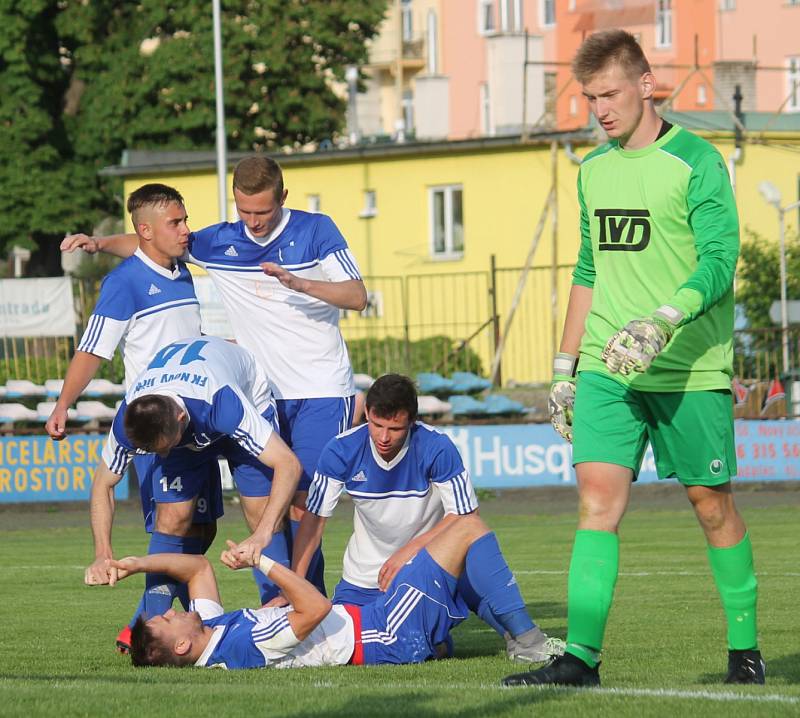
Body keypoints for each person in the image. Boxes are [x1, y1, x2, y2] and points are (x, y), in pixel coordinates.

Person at [504, 30, 762, 688]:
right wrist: (564, 370)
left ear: (647, 85)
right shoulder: (593, 170)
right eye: (589, 98)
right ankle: (581, 659)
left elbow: (718, 261)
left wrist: (665, 318)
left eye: (610, 94)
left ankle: (745, 652)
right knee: (597, 503)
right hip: (606, 370)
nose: (600, 110)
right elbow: (588, 272)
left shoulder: (698, 162)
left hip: (687, 369)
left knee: (711, 505)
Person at [62, 156, 368, 597]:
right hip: (255, 392)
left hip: (319, 390)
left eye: (262, 212)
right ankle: (279, 608)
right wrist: (99, 242)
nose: (254, 222)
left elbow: (356, 295)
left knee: (301, 508)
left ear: (283, 197)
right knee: (262, 510)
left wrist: (300, 284)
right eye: (244, 212)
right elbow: (156, 242)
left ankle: (307, 608)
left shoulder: (316, 230)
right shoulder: (223, 241)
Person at [288, 373, 563, 663]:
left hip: (427, 569)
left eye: (394, 428)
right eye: (376, 425)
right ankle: (435, 640)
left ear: (412, 420)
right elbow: (312, 523)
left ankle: (529, 639)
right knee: (339, 649)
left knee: (473, 541)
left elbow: (468, 517)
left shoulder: (436, 446)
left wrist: (408, 551)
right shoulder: (340, 449)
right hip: (362, 582)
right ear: (366, 413)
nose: (383, 437)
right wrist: (293, 585)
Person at [48, 183, 218, 652]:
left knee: (201, 531)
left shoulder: (177, 264)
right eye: (176, 223)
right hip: (159, 424)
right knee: (173, 525)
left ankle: (149, 620)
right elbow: (92, 349)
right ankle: (144, 631)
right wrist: (63, 403)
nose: (186, 230)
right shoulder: (123, 284)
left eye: (185, 220)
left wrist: (99, 243)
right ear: (148, 230)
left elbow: (141, 242)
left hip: (196, 419)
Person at [104, 513, 540, 670]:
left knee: (449, 556)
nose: (172, 610)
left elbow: (197, 567)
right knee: (466, 527)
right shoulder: (242, 645)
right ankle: (530, 644)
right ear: (182, 645)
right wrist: (264, 562)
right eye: (167, 618)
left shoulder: (213, 630)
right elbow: (315, 604)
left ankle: (437, 642)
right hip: (382, 632)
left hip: (369, 620)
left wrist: (139, 563)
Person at [85, 336, 303, 628]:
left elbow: (288, 463)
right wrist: (102, 554)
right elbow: (103, 484)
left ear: (180, 416)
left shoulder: (221, 403)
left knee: (260, 509)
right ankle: (151, 623)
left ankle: (279, 608)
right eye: (153, 450)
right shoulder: (131, 419)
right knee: (172, 517)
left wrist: (262, 534)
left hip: (245, 397)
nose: (160, 454)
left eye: (163, 446)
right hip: (185, 418)